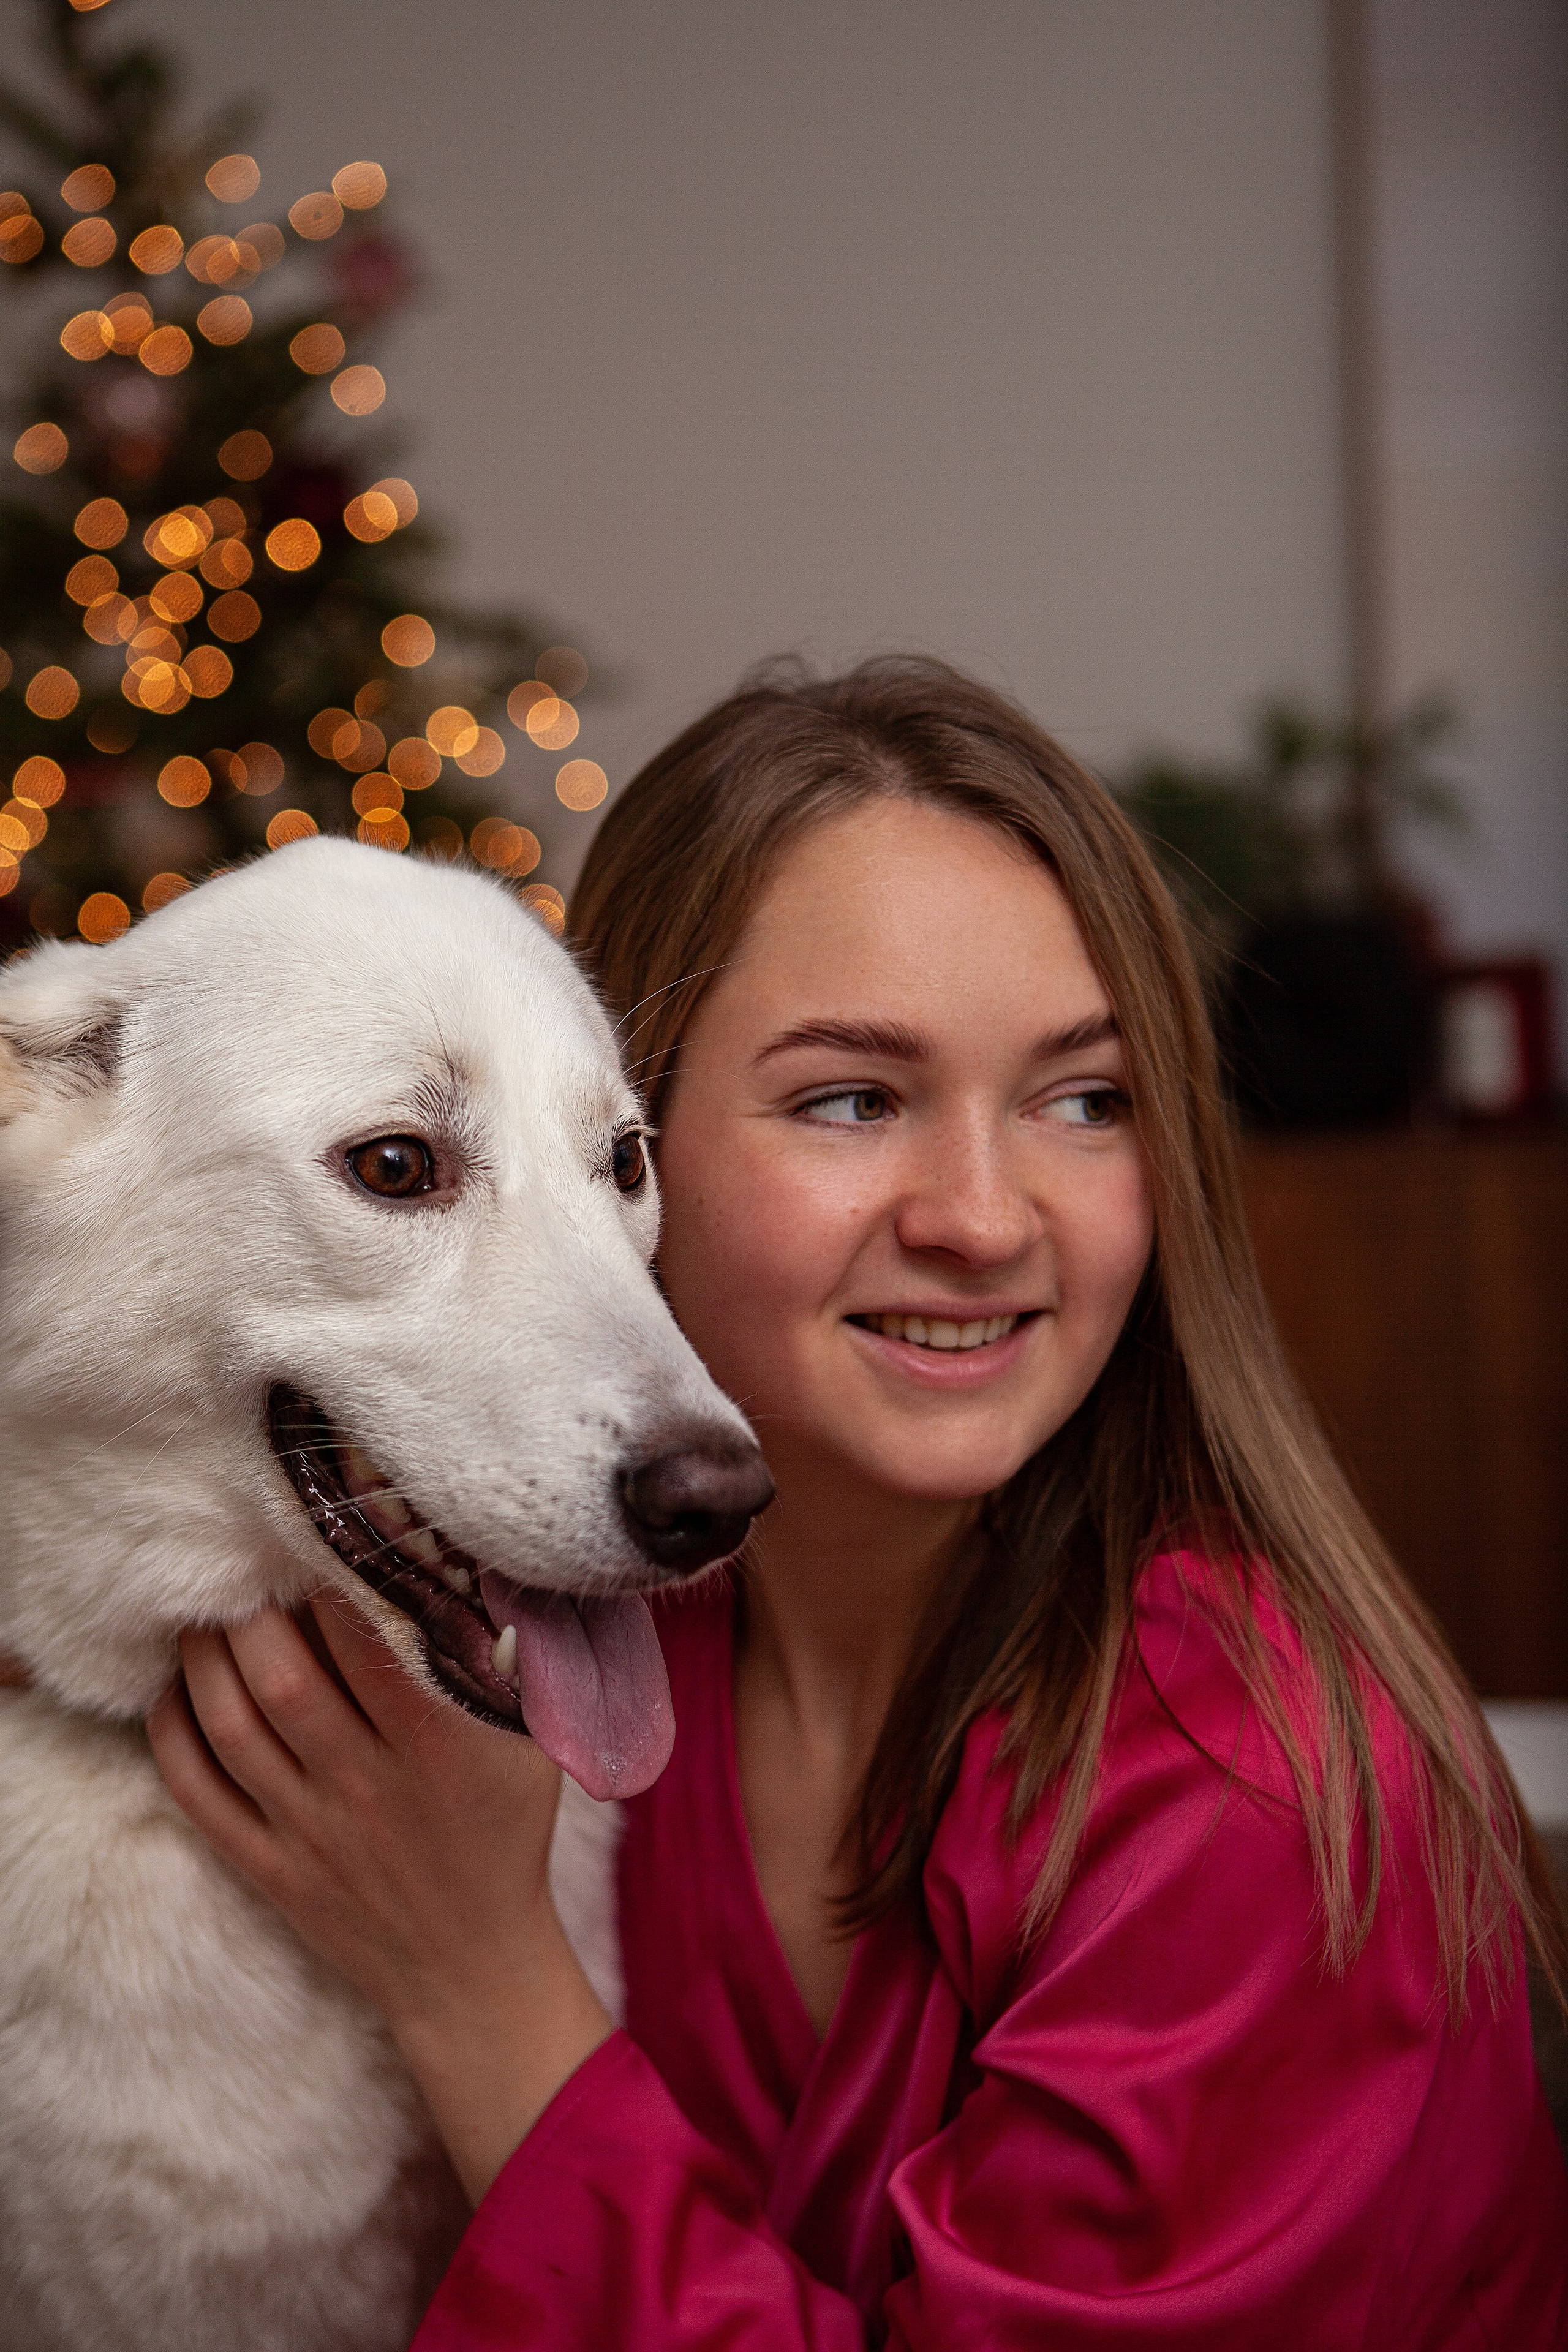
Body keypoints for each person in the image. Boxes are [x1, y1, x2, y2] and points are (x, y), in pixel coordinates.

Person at [149, 657, 1568, 2348]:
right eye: (853, 1099)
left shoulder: (1253, 1788)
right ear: (622, 1143)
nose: (984, 1217)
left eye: (1086, 1099)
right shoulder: (549, 1642)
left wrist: (483, 1988)